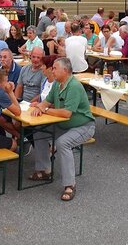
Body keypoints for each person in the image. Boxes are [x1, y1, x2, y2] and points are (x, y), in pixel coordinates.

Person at [29, 57, 96, 201]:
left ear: (65, 71)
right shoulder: (57, 84)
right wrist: (39, 107)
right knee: (38, 129)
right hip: (64, 125)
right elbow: (46, 102)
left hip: (83, 126)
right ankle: (44, 170)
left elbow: (66, 113)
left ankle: (70, 185)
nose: (52, 70)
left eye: (54, 68)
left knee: (62, 143)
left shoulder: (74, 86)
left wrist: (45, 109)